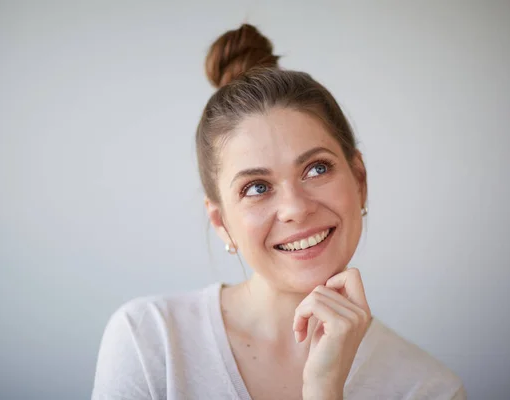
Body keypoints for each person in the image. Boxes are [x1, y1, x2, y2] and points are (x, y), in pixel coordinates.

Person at [91, 24, 466, 400]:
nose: (295, 209)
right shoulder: (148, 340)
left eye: (316, 169)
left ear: (360, 179)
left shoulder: (428, 389)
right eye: (257, 187)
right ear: (222, 224)